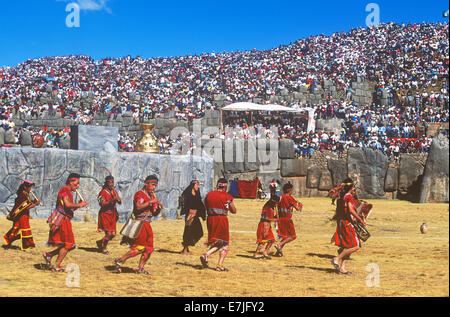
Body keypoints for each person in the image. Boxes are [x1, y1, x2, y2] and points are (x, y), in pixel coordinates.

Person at [115, 175, 162, 275]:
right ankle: (120, 261)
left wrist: (158, 208)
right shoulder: (139, 194)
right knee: (140, 247)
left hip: (147, 224)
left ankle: (140, 268)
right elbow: (138, 207)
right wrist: (150, 202)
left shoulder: (152, 196)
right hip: (140, 223)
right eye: (152, 185)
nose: (154, 188)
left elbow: (153, 213)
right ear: (146, 183)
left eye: (155, 186)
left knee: (149, 249)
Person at [44, 173, 89, 272]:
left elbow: (69, 209)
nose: (77, 186)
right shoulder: (65, 190)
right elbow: (68, 205)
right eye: (76, 184)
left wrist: (79, 205)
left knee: (67, 244)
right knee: (69, 244)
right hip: (61, 221)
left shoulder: (68, 192)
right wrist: (80, 204)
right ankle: (56, 265)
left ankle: (49, 255)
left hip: (65, 220)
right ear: (70, 182)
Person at [331, 178, 366, 274]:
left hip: (342, 223)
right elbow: (350, 210)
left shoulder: (341, 197)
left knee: (347, 246)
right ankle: (336, 259)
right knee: (355, 246)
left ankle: (342, 268)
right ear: (352, 187)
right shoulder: (349, 197)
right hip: (347, 223)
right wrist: (359, 219)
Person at [200, 178, 237, 272]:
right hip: (221, 219)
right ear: (225, 186)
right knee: (224, 243)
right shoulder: (227, 196)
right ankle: (214, 261)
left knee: (218, 241)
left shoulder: (209, 195)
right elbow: (234, 210)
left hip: (210, 219)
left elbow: (204, 206)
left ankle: (208, 257)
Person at [3, 180, 40, 250]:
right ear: (25, 187)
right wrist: (35, 204)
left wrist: (34, 202)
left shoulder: (25, 194)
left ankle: (10, 239)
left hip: (24, 215)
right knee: (25, 229)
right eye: (29, 187)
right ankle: (28, 245)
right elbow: (26, 207)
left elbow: (27, 204)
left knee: (17, 229)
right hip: (22, 216)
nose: (30, 189)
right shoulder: (22, 195)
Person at [274, 183, 303, 257]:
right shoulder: (290, 198)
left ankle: (278, 252)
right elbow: (297, 209)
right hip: (287, 220)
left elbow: (276, 207)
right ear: (289, 190)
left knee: (285, 236)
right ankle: (279, 245)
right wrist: (300, 206)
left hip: (280, 219)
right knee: (293, 236)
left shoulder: (280, 197)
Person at [96, 175, 121, 254]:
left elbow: (120, 202)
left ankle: (100, 242)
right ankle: (104, 249)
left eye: (112, 182)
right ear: (106, 183)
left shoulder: (114, 191)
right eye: (109, 182)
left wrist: (118, 199)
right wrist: (112, 199)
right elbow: (102, 204)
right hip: (105, 214)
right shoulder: (102, 192)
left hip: (112, 214)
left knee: (113, 234)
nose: (111, 184)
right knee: (108, 233)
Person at [180, 180, 206, 255]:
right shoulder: (187, 194)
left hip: (196, 215)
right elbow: (183, 203)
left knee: (199, 232)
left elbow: (200, 204)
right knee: (188, 232)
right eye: (197, 185)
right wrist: (188, 211)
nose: (198, 186)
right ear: (193, 185)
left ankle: (189, 243)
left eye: (198, 185)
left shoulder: (197, 194)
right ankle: (185, 250)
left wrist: (202, 214)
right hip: (189, 215)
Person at [254, 195, 280, 259]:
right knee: (263, 240)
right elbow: (265, 218)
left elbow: (270, 217)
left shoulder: (271, 207)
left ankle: (265, 252)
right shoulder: (267, 207)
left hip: (268, 225)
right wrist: (275, 219)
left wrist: (275, 217)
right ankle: (256, 254)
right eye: (276, 203)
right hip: (263, 225)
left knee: (271, 240)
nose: (276, 205)